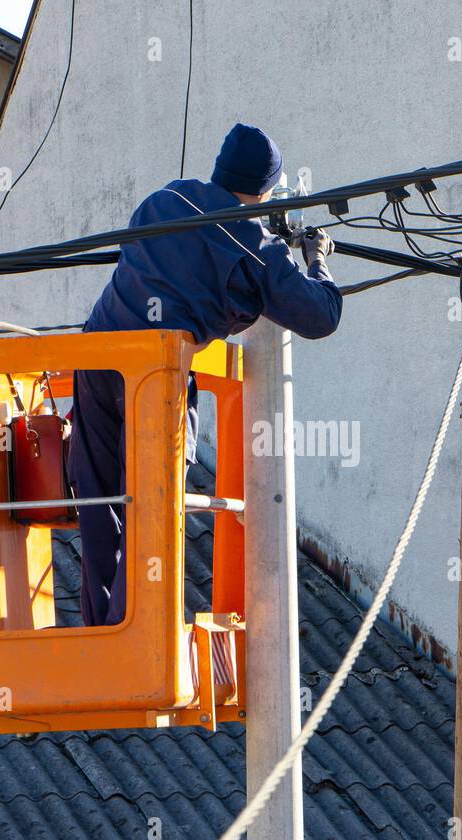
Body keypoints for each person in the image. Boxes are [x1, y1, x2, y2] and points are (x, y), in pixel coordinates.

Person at [68, 122, 342, 626]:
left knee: (99, 498)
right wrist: (317, 259)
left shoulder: (165, 199)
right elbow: (320, 316)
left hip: (96, 353)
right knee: (154, 502)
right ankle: (133, 631)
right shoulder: (257, 245)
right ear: (265, 189)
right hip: (154, 374)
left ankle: (99, 632)